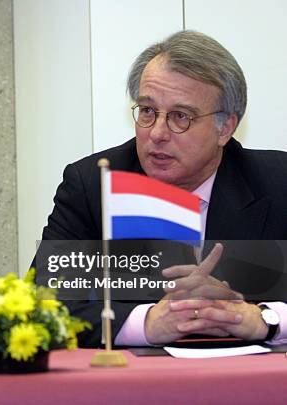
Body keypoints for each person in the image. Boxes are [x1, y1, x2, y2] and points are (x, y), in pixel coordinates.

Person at [41, 30, 287, 347]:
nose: (157, 133)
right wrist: (146, 323)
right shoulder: (93, 184)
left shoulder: (278, 183)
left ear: (225, 127)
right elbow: (47, 302)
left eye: (180, 117)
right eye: (147, 111)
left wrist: (263, 319)